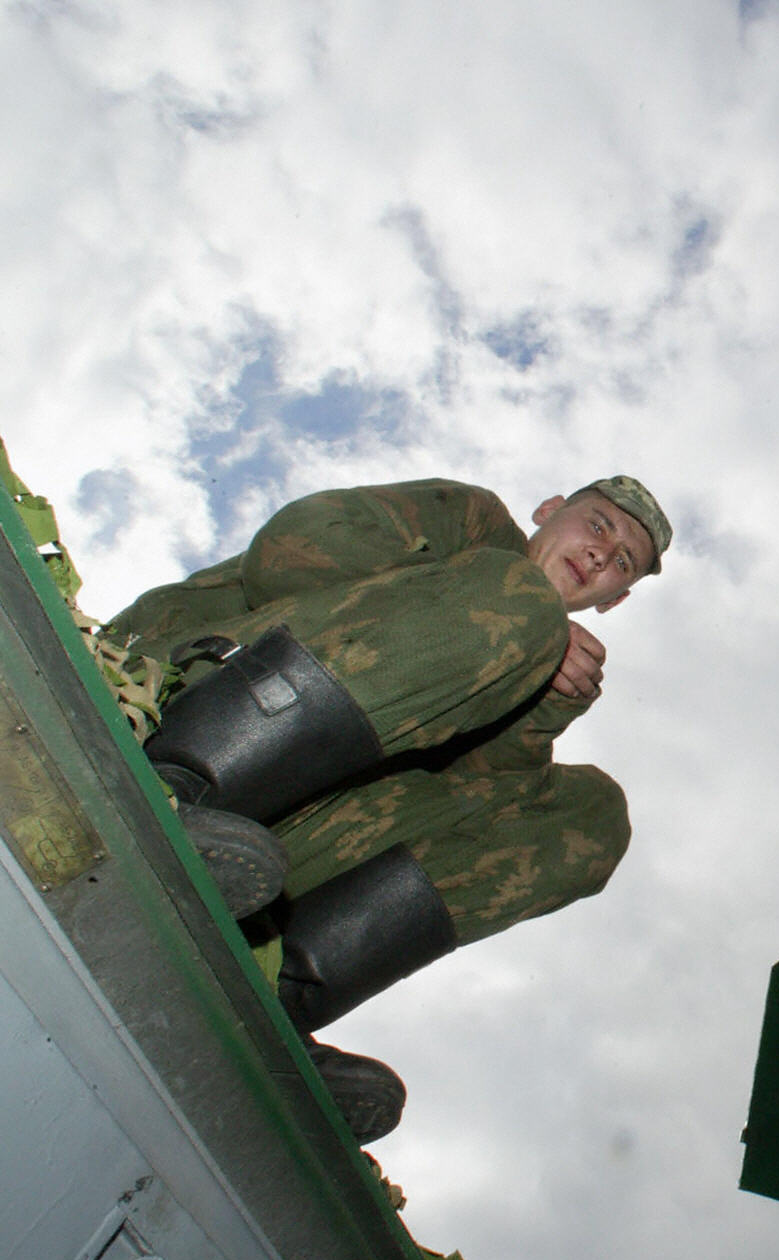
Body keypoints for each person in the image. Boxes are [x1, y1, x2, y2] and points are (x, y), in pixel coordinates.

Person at [108, 474, 671, 1138]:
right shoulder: (471, 529)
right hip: (172, 698)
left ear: (615, 600)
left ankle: (266, 998)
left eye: (623, 561)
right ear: (549, 509)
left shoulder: (535, 655)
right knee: (514, 603)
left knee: (590, 815)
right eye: (599, 525)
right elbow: (292, 547)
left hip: (254, 846)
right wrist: (485, 597)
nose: (604, 553)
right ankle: (173, 787)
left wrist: (546, 699)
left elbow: (468, 787)